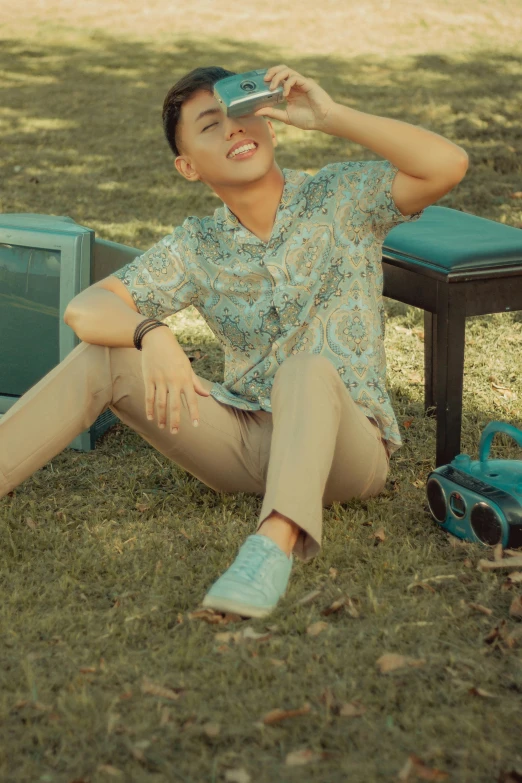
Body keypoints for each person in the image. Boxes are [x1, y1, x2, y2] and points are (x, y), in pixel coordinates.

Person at [0, 64, 468, 619]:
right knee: (106, 355)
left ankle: (271, 548)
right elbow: (86, 309)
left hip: (347, 448)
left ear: (267, 122)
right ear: (188, 167)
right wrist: (151, 334)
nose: (234, 130)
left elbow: (448, 165)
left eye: (240, 114)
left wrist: (332, 116)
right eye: (210, 125)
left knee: (307, 369)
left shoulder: (340, 196)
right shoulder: (198, 245)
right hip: (245, 440)